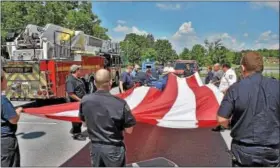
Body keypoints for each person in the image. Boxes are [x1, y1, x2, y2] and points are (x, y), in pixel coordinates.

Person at [217, 52, 280, 167]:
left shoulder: (235, 88)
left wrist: (232, 125)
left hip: (243, 151)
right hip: (272, 150)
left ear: (243, 67)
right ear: (261, 67)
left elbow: (221, 119)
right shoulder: (277, 85)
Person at [79, 69, 136, 167]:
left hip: (95, 148)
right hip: (113, 149)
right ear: (110, 82)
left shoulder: (85, 100)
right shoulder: (120, 103)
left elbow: (84, 123)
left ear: (94, 82)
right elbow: (129, 130)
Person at [1, 70, 23, 167]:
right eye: (5, 79)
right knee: (10, 163)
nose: (7, 81)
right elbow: (13, 119)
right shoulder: (3, 101)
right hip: (5, 139)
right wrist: (18, 111)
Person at [65, 64, 87, 141]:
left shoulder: (77, 78)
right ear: (76, 70)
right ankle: (77, 134)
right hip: (74, 102)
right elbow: (71, 94)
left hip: (80, 101)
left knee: (81, 117)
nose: (80, 71)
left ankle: (75, 130)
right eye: (79, 70)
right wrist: (79, 100)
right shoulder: (70, 80)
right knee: (76, 118)